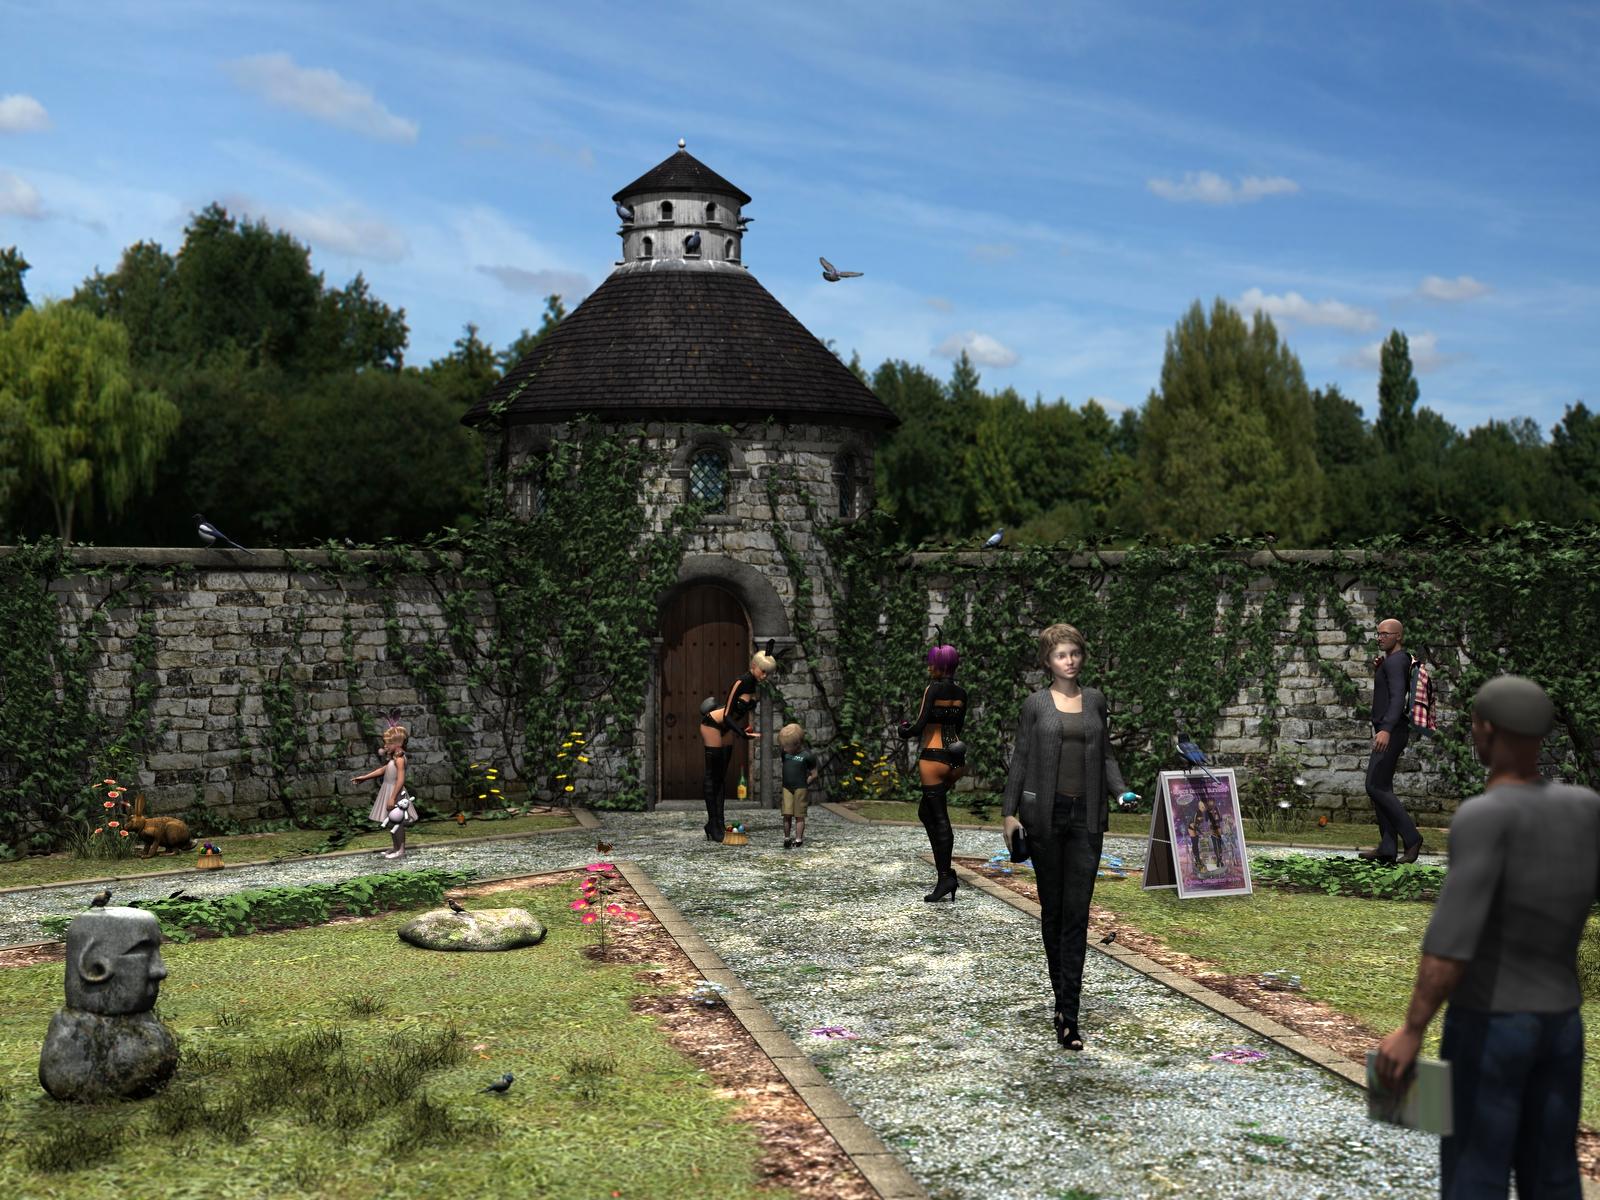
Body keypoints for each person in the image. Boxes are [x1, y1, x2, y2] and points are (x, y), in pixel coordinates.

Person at [1376, 675, 1600, 1198]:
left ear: (1487, 729)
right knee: (1553, 1171)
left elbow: (1451, 942)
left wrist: (1412, 1028)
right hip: (1562, 1022)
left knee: (1475, 1168)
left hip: (1490, 1021)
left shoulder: (1484, 816)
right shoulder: (1586, 808)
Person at [1002, 623, 1131, 1052]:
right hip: (1044, 817)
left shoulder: (1095, 700)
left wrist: (1120, 790)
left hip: (1086, 817)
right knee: (1053, 912)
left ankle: (1068, 1015)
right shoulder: (1035, 705)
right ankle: (1062, 1000)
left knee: (1077, 913)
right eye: (1061, 655)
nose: (1070, 661)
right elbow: (1021, 757)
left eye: (1075, 653)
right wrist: (1009, 813)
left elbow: (1106, 754)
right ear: (1048, 661)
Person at [898, 644, 969, 902]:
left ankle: (945, 877)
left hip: (933, 758)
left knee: (939, 818)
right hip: (956, 760)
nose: (929, 667)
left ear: (941, 666)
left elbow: (919, 725)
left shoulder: (933, 689)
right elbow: (958, 727)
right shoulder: (961, 693)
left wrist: (903, 729)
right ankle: (945, 873)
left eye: (932, 663)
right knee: (925, 812)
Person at [1361, 618, 1425, 864]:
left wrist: (1386, 729)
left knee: (1375, 786)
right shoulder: (1395, 660)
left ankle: (1412, 838)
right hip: (1390, 730)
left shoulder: (1396, 661)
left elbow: (1398, 697)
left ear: (1398, 636)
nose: (1380, 638)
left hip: (1392, 731)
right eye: (1378, 634)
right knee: (1381, 787)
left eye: (1386, 634)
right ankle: (1388, 847)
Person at [698, 651, 777, 843]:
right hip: (713, 724)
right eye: (763, 671)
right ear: (754, 666)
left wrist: (744, 729)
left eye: (768, 673)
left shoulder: (755, 685)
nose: (765, 675)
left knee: (721, 777)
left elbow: (739, 712)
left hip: (727, 728)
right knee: (712, 776)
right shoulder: (741, 682)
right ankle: (713, 824)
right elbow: (726, 714)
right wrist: (741, 733)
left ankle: (718, 823)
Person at [354, 723, 414, 860]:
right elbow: (383, 770)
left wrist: (393, 797)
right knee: (392, 821)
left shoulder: (400, 759)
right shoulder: (394, 758)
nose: (385, 746)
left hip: (395, 793)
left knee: (397, 822)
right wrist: (365, 777)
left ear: (398, 743)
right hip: (388, 790)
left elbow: (400, 780)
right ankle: (395, 847)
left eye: (388, 743)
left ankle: (401, 850)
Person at [778, 723, 819, 849]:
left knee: (799, 815)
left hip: (800, 788)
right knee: (786, 814)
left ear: (797, 744)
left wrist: (805, 782)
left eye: (787, 746)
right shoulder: (784, 753)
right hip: (787, 787)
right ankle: (786, 838)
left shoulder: (807, 756)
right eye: (783, 746)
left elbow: (814, 774)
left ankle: (798, 839)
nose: (784, 749)